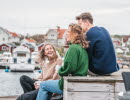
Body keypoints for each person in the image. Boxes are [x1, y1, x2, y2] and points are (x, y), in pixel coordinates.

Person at [36, 23, 89, 100]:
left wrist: (60, 70)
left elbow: (69, 68)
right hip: (77, 82)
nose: (66, 34)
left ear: (74, 34)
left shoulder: (73, 48)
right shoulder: (81, 48)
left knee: (43, 85)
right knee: (47, 85)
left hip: (70, 83)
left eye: (68, 32)